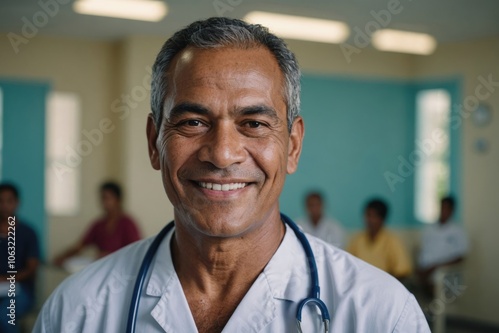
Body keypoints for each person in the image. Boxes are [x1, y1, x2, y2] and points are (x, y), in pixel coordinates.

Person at [34, 18, 429, 332]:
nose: (223, 154)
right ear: (155, 143)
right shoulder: (77, 311)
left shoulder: (381, 315)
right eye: (192, 122)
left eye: (254, 123)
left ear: (292, 146)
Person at [54, 181, 141, 266]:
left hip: (121, 268)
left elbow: (137, 251)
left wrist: (111, 255)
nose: (104, 202)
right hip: (102, 267)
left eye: (108, 198)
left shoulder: (128, 223)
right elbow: (80, 245)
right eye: (102, 198)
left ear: (118, 200)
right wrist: (63, 257)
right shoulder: (99, 225)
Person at [0, 183, 40, 333]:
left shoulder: (28, 233)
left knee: (5, 316)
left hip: (21, 290)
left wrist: (6, 280)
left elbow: (32, 268)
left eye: (9, 201)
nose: (4, 206)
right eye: (1, 201)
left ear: (17, 203)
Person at [348, 198, 413, 280]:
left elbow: (403, 271)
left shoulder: (392, 241)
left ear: (382, 219)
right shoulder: (357, 240)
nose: (370, 220)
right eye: (368, 215)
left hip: (386, 286)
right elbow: (348, 266)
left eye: (374, 217)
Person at [418, 196, 468, 294]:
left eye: (447, 208)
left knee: (437, 283)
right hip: (426, 269)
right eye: (442, 207)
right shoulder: (429, 229)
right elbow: (424, 251)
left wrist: (435, 267)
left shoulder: (457, 231)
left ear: (452, 210)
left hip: (445, 272)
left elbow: (460, 257)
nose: (443, 211)